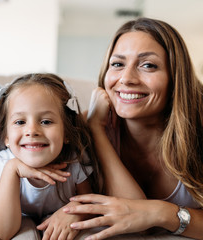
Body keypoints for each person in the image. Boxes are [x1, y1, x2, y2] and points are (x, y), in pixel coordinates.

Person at [61, 17, 203, 239]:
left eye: (148, 65)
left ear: (175, 77)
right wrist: (96, 131)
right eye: (117, 64)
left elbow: (141, 218)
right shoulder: (85, 127)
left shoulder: (199, 128)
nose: (126, 79)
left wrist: (161, 212)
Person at [0, 73, 99, 240]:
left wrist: (74, 212)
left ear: (66, 132)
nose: (32, 131)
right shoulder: (4, 162)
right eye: (20, 122)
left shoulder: (75, 160)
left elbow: (89, 203)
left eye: (46, 121)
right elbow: (1, 231)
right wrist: (13, 169)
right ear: (6, 137)